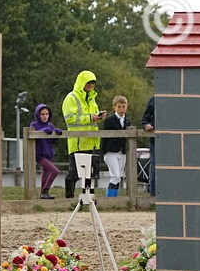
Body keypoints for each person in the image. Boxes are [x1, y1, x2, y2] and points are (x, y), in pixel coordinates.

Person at [62, 71, 105, 199]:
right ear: (82, 82)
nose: (91, 85)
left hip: (92, 142)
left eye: (93, 83)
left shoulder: (92, 99)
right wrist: (90, 118)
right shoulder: (71, 97)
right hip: (78, 143)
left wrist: (99, 117)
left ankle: (88, 199)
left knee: (91, 174)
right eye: (88, 82)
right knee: (74, 173)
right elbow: (70, 119)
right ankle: (69, 199)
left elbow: (93, 117)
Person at [30, 104, 63, 199]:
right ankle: (45, 190)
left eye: (46, 114)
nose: (45, 116)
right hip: (39, 154)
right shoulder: (34, 124)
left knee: (46, 174)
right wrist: (43, 131)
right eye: (42, 114)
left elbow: (53, 142)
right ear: (38, 115)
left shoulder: (51, 125)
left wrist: (57, 134)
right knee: (54, 171)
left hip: (48, 154)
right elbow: (34, 137)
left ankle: (43, 194)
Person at [101, 95, 131, 197]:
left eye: (123, 107)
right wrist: (104, 151)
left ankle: (114, 197)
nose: (122, 109)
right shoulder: (109, 120)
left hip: (122, 152)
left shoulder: (127, 121)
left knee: (119, 176)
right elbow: (105, 137)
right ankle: (110, 198)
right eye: (119, 107)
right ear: (114, 107)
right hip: (111, 152)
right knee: (115, 175)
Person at [141, 96, 156, 197]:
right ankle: (153, 197)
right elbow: (145, 118)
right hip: (155, 140)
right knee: (156, 167)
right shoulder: (154, 99)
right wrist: (146, 125)